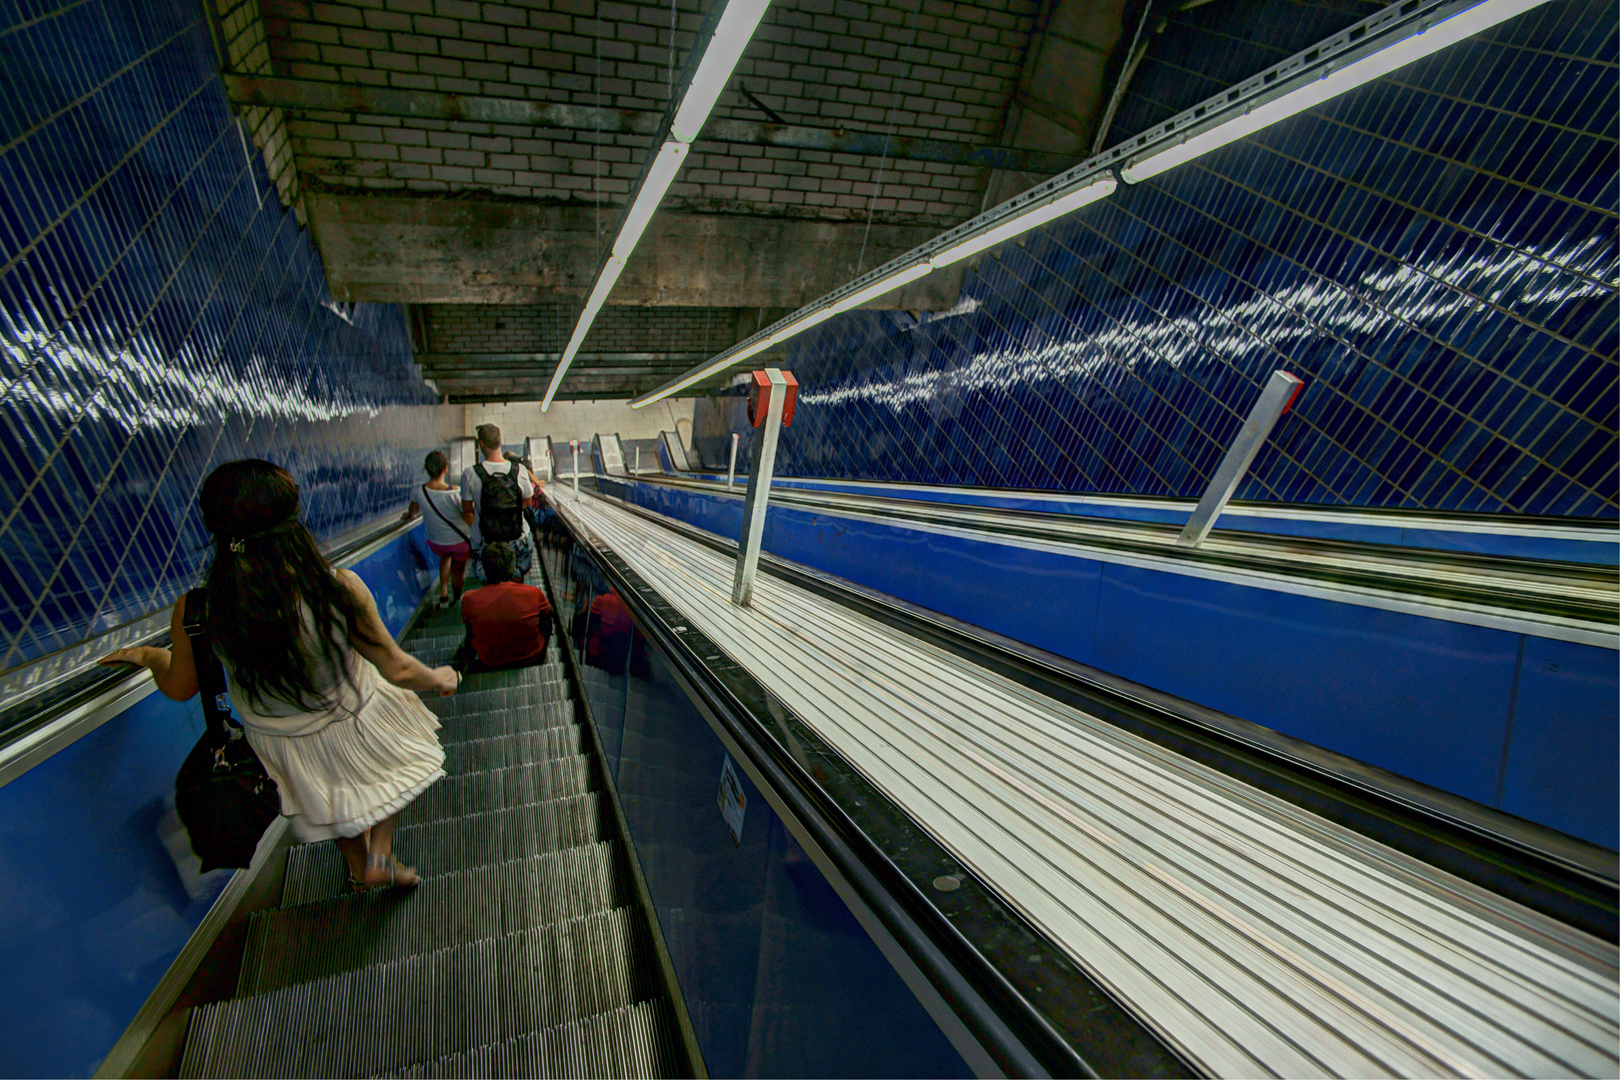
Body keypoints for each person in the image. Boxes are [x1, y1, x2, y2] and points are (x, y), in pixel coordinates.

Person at [100, 459, 460, 891]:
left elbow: (180, 686)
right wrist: (439, 678)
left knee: (331, 800)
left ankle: (358, 864)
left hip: (281, 740)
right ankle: (380, 854)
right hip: (354, 714)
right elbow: (396, 666)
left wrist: (148, 656)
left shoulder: (202, 608)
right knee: (391, 771)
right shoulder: (334, 589)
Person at [456, 541, 552, 673]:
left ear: (484, 568)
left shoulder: (469, 599)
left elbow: (470, 629)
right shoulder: (533, 593)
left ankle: (468, 655)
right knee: (543, 616)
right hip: (532, 656)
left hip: (491, 662)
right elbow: (548, 616)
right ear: (512, 567)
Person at [461, 423, 535, 577]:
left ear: (481, 444)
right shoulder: (519, 470)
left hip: (485, 541)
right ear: (500, 441)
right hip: (517, 537)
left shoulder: (470, 473)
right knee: (517, 578)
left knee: (489, 582)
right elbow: (527, 502)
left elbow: (467, 510)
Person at [408, 450, 474, 608]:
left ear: (427, 470)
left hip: (437, 543)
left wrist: (408, 515)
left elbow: (412, 511)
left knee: (445, 558)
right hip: (460, 542)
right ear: (446, 468)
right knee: (458, 570)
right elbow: (468, 512)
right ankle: (456, 598)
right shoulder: (456, 492)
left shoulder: (419, 492)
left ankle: (443, 592)